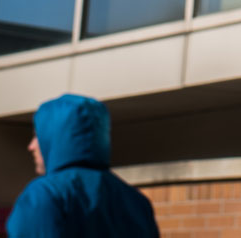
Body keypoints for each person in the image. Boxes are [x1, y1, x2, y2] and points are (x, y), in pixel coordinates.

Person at [8, 93, 160, 238]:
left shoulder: (45, 194)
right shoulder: (137, 203)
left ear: (54, 136)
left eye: (37, 136)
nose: (31, 146)